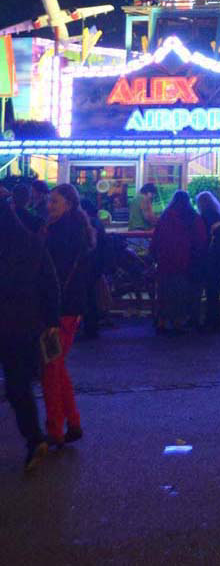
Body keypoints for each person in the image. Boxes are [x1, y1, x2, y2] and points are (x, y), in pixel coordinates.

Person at [0, 197, 61, 471]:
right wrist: (50, 320)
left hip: (12, 324)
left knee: (17, 385)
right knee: (18, 386)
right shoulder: (32, 244)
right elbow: (50, 284)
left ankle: (35, 439)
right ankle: (34, 438)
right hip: (22, 326)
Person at [43, 184, 96, 446]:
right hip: (70, 307)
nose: (49, 206)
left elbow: (52, 274)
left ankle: (55, 428)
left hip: (59, 309)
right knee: (57, 365)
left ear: (68, 204)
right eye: (49, 201)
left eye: (55, 201)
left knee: (51, 367)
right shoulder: (75, 230)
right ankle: (71, 422)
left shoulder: (59, 233)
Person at [149, 191, 207, 334]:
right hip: (185, 261)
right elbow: (200, 240)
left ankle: (161, 322)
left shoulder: (165, 217)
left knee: (164, 293)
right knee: (181, 294)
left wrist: (154, 255)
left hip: (165, 261)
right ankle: (178, 323)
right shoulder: (194, 218)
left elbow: (156, 238)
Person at [195, 191, 220, 332]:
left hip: (211, 260)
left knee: (210, 292)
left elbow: (202, 239)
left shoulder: (205, 218)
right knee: (214, 292)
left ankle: (212, 322)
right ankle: (215, 322)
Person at [79, 197, 109, 339]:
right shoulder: (97, 222)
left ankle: (89, 326)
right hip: (96, 264)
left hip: (89, 264)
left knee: (88, 296)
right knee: (92, 295)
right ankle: (92, 325)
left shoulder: (88, 223)